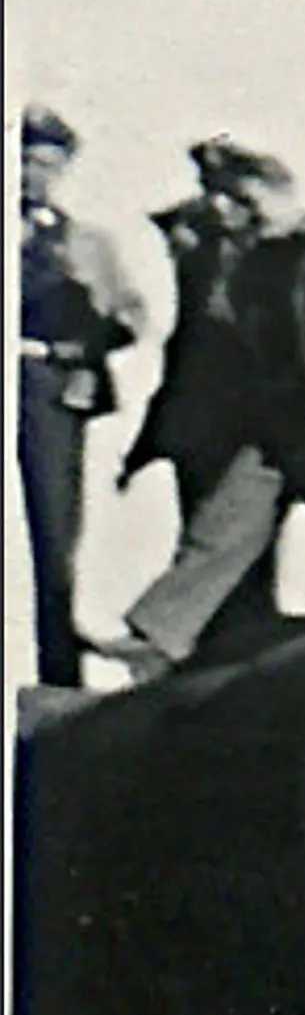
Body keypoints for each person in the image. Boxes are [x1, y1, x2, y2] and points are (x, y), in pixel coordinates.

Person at [107, 142, 305, 674]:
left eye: (250, 202)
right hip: (274, 428)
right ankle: (156, 636)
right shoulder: (247, 264)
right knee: (221, 529)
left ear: (283, 194)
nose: (242, 214)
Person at [111, 140, 282, 655]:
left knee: (222, 537)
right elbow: (183, 353)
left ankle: (159, 636)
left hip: (257, 422)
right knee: (232, 558)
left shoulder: (265, 255)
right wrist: (149, 442)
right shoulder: (205, 257)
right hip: (204, 428)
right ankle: (218, 665)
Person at [15, 105, 151, 687]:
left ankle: (59, 677)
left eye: (47, 164)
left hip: (48, 387)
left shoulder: (86, 242)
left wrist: (81, 340)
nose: (31, 175)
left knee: (54, 533)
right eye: (22, 160)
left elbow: (132, 315)